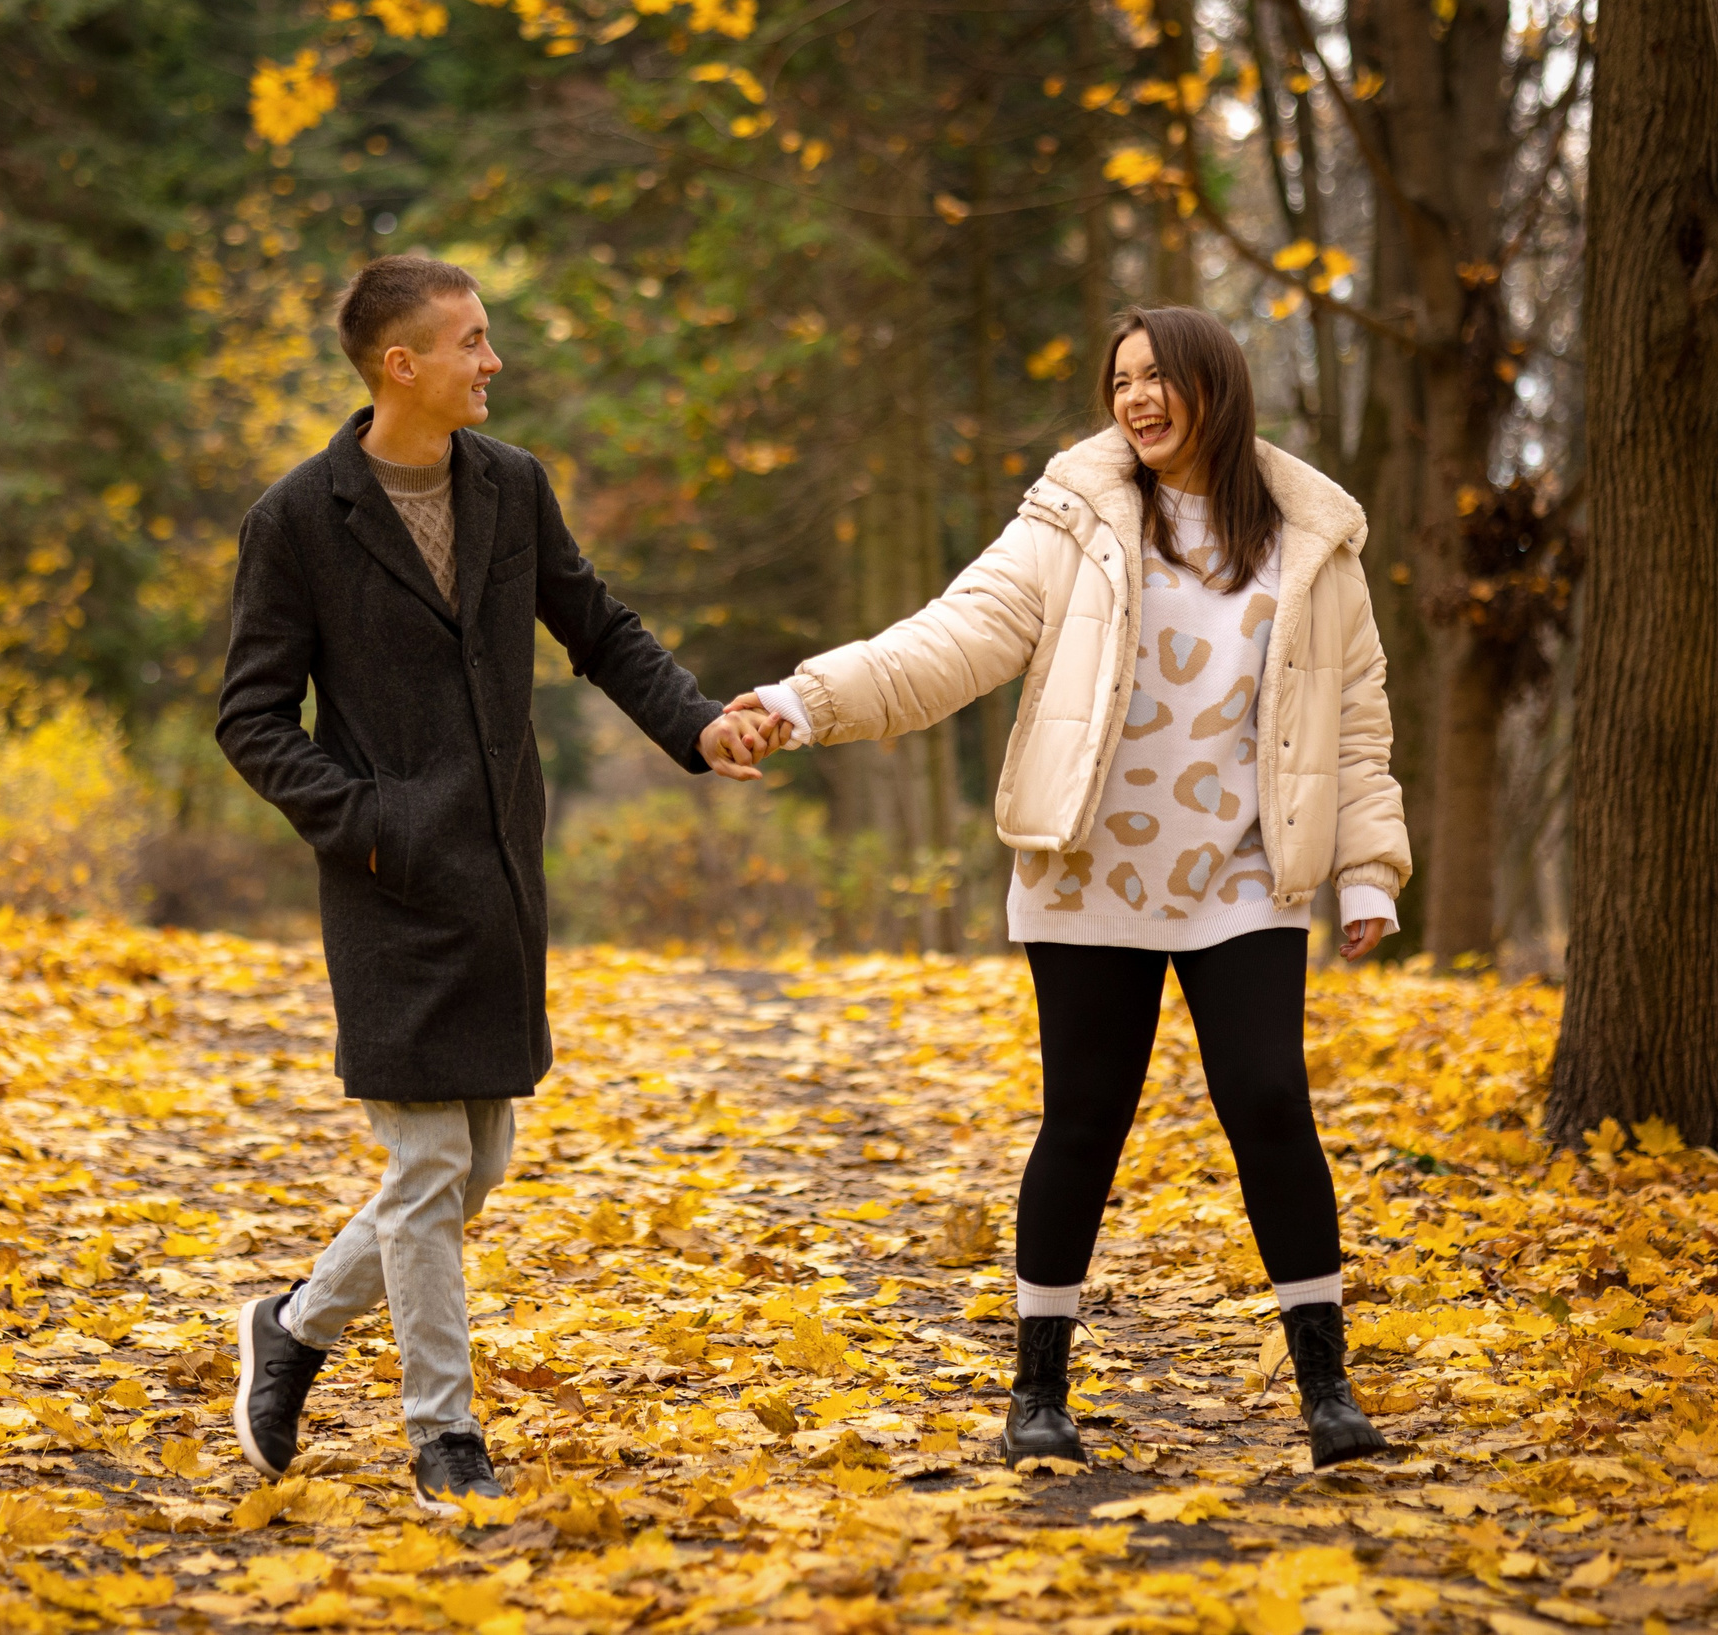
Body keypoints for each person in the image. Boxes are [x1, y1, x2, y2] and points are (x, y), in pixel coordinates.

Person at [733, 305, 1408, 1471]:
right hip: (1089, 870)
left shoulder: (1312, 544)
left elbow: (1352, 726)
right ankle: (1036, 1392)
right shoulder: (1072, 523)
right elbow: (947, 643)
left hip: (1246, 876)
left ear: (1217, 387)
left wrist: (1369, 870)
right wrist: (802, 704)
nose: (1136, 398)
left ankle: (1328, 1389)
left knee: (1268, 1104)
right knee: (1085, 1120)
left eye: (1159, 378)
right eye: (1121, 379)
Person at [215, 255, 775, 1513]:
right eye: (472, 341)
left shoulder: (512, 487)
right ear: (399, 365)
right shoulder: (298, 517)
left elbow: (600, 625)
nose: (494, 361)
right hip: (385, 882)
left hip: (501, 881)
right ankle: (442, 1437)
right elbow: (251, 718)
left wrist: (695, 727)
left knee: (476, 1167)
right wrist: (366, 822)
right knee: (423, 1172)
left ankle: (294, 1327)